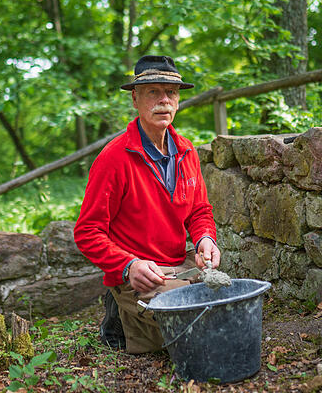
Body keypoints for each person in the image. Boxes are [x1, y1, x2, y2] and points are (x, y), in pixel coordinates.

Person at [74, 55, 221, 354]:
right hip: (142, 272)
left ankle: (136, 317)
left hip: (178, 264)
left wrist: (206, 238)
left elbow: (199, 211)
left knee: (226, 295)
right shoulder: (114, 158)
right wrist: (128, 266)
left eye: (171, 92)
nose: (164, 100)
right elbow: (87, 232)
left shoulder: (186, 151)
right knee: (199, 326)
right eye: (153, 92)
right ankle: (119, 317)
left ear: (178, 100)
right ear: (135, 98)